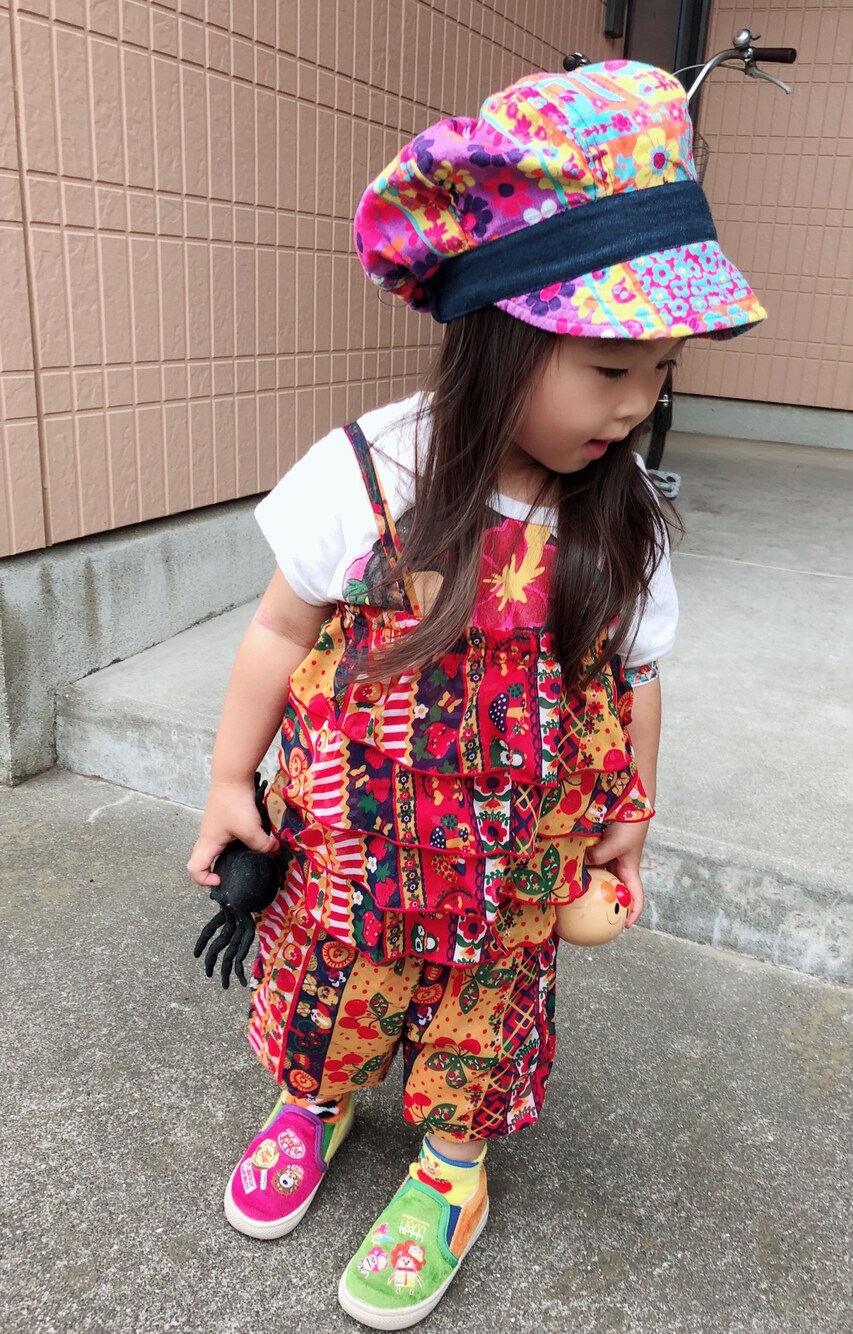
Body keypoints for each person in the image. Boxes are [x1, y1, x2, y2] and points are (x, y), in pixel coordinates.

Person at [187, 58, 764, 1330]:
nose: (638, 404)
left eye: (660, 371)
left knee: (481, 1013)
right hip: (351, 838)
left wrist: (633, 808)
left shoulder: (624, 514)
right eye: (609, 367)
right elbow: (279, 627)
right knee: (328, 980)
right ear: (503, 332)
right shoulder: (371, 469)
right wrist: (230, 779)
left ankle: (453, 1164)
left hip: (515, 863)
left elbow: (634, 673)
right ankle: (316, 1098)